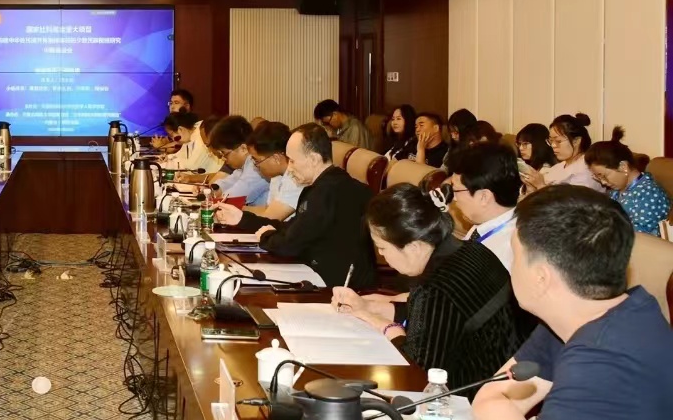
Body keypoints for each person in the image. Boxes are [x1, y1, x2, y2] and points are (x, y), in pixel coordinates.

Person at [473, 186, 673, 420]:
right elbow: (490, 398)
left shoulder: (606, 352)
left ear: (541, 277)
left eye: (516, 256)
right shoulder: (586, 318)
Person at [331, 184, 519, 391]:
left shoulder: (436, 286)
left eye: (382, 247)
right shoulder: (468, 250)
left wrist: (382, 324)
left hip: (472, 392)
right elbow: (435, 320)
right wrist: (368, 307)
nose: (381, 255)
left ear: (414, 247)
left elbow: (417, 369)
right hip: (504, 372)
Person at [219, 124, 376, 288]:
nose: (290, 168)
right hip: (322, 273)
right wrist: (242, 219)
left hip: (335, 285)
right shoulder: (328, 185)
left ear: (314, 159)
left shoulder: (326, 192)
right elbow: (291, 228)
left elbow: (289, 244)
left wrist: (266, 236)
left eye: (293, 161)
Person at [448, 144, 521, 271]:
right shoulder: (484, 224)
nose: (454, 198)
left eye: (456, 190)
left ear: (484, 197)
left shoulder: (506, 251)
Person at [585, 127, 669, 236]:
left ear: (623, 166)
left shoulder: (649, 194)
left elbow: (638, 235)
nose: (603, 183)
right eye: (598, 178)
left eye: (604, 176)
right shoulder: (617, 190)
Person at [522, 114, 604, 193]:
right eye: (551, 141)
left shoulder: (587, 168)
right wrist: (530, 187)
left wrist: (540, 185)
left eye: (558, 141)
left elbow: (575, 200)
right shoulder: (558, 167)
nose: (553, 145)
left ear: (576, 141)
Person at [204, 116, 269, 205]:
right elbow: (228, 182)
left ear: (243, 149)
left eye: (225, 154)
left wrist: (212, 197)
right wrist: (208, 191)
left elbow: (232, 197)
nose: (224, 159)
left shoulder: (256, 167)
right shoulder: (244, 166)